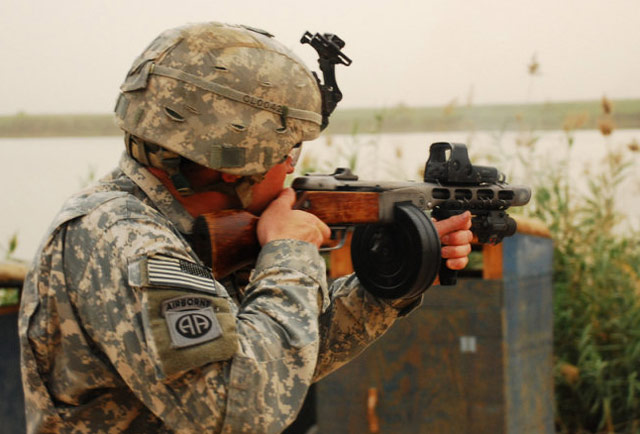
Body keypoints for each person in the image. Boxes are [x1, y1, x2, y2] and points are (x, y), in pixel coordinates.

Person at [19, 22, 472, 433]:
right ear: (237, 163)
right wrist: (290, 252)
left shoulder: (171, 225)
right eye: (289, 152)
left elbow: (278, 365)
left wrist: (388, 285)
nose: (292, 167)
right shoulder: (124, 239)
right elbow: (243, 409)